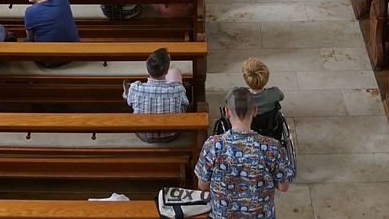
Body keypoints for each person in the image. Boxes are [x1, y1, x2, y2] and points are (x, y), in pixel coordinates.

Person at [195, 88, 295, 218]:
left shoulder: (213, 145)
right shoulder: (272, 147)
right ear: (254, 111)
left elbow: (202, 185)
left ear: (227, 112)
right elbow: (283, 187)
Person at [124, 46, 189, 142]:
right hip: (172, 134)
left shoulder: (135, 88)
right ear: (166, 72)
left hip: (144, 134)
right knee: (175, 74)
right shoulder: (178, 90)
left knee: (132, 100)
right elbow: (186, 103)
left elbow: (129, 102)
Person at [23, 0, 79, 66]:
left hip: (51, 60)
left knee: (25, 42)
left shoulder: (30, 11)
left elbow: (30, 38)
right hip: (75, 52)